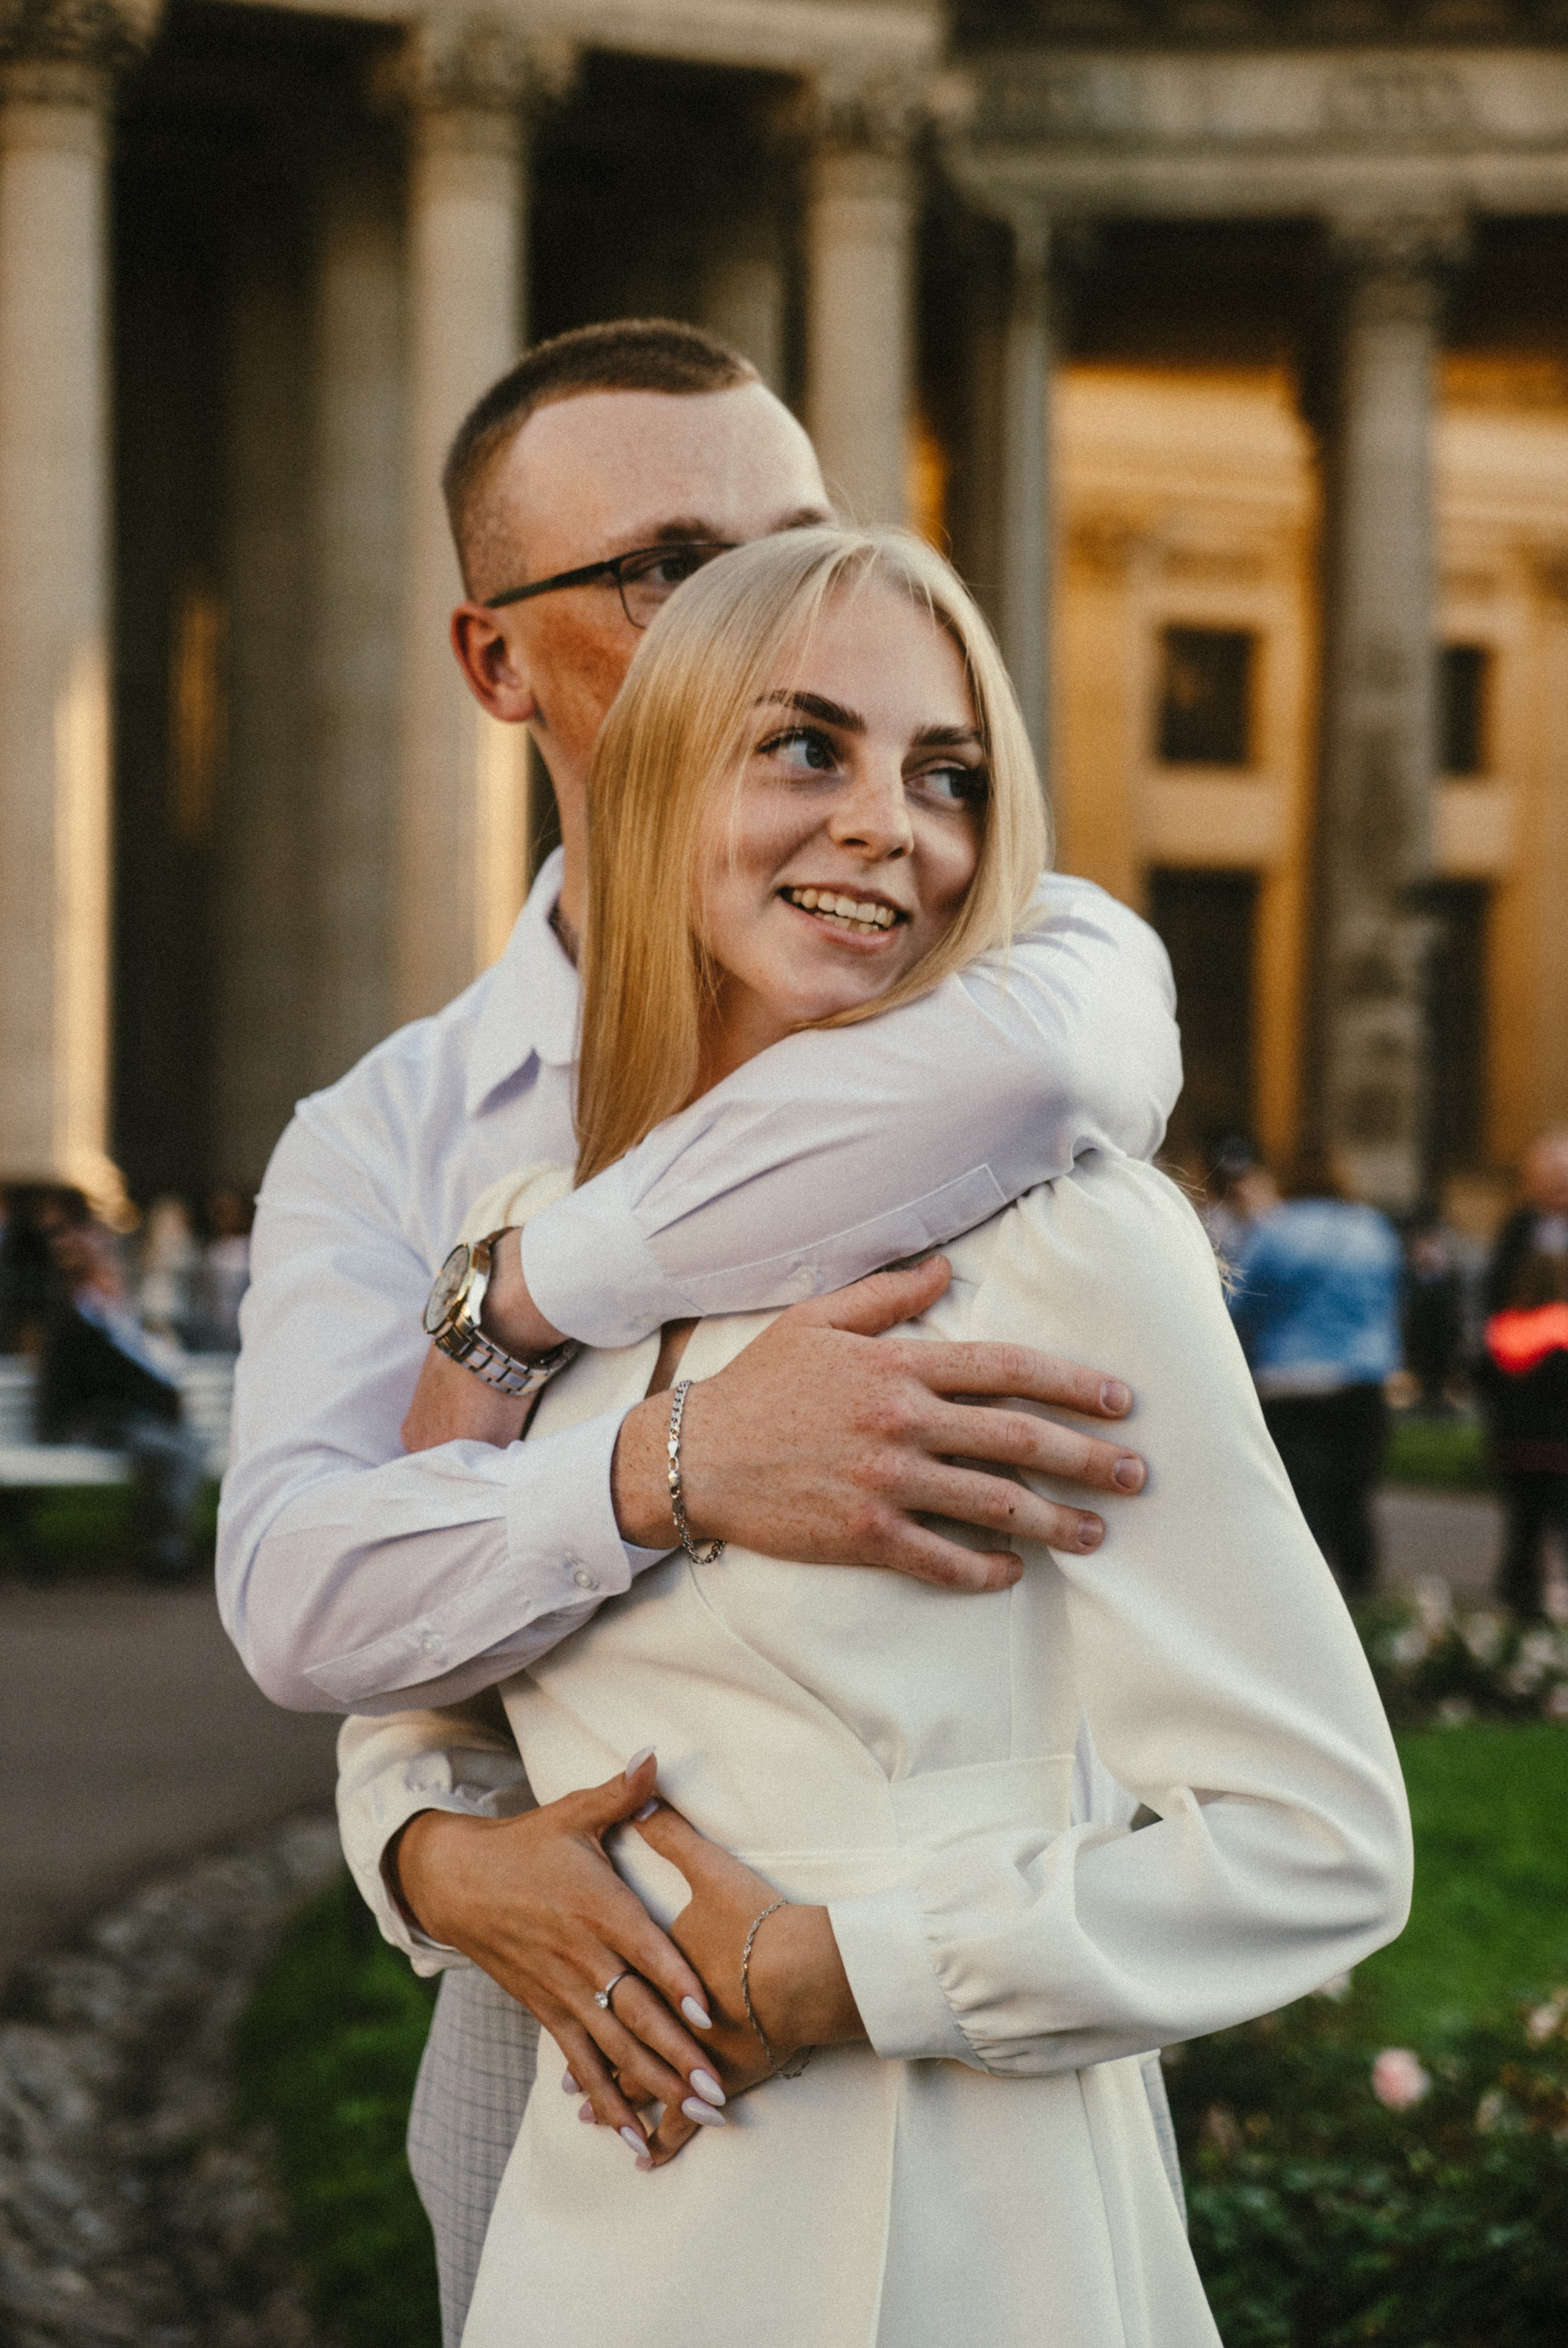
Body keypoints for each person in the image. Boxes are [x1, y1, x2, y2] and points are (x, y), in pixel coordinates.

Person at [222, 322, 1181, 2341]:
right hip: (572, 2039)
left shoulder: (1041, 982)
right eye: (674, 565)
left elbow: (1020, 1084)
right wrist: (422, 1831)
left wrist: (535, 1298)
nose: (766, 618)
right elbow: (315, 1600)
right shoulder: (392, 1136)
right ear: (499, 665)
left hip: (962, 2049)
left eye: (803, 542)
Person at [407, 526, 1411, 2348]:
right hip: (594, 2235)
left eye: (945, 774)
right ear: (649, 783)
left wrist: (853, 1965)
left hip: (958, 2230)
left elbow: (1322, 1836)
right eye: (806, 746)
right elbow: (405, 1643)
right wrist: (433, 1854)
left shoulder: (1065, 1236)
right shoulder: (525, 1233)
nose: (892, 822)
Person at [1226, 1144, 1402, 1599]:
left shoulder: (1274, 1231)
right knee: (1354, 1498)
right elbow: (1388, 1299)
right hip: (1361, 1377)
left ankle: (1305, 1603)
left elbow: (1240, 1305)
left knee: (1299, 1505)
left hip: (1289, 1381)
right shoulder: (1374, 1230)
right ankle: (1365, 1605)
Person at [38, 1204, 205, 1579]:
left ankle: (161, 1542)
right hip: (86, 1423)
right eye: (104, 1265)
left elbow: (147, 1379)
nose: (112, 1273)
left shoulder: (113, 1322)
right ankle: (166, 1553)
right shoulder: (77, 1321)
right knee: (176, 1451)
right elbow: (98, 1388)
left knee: (188, 1446)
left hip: (119, 1423)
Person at [1477, 1129, 1568, 1617]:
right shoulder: (1517, 1232)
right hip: (1525, 1408)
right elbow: (1494, 1314)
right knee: (1526, 1519)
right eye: (1548, 1175)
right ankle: (1523, 1604)